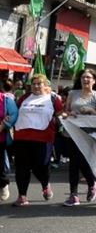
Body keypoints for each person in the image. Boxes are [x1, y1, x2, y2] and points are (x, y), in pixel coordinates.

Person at [12, 75, 63, 206]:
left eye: (39, 84)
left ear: (45, 85)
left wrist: (66, 116)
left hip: (43, 138)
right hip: (22, 137)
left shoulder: (53, 99)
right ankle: (22, 196)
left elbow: (60, 114)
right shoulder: (24, 98)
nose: (35, 86)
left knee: (40, 166)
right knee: (21, 168)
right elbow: (14, 113)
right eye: (33, 84)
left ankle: (45, 184)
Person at [59, 69, 96, 207]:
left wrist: (91, 111)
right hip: (73, 132)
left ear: (94, 81)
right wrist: (68, 113)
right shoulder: (73, 93)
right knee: (73, 163)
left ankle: (91, 183)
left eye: (89, 77)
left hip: (89, 134)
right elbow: (65, 111)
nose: (85, 80)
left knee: (84, 161)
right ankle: (74, 195)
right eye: (83, 77)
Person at [0, 82, 18, 202]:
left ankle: (3, 184)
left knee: (0, 166)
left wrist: (3, 125)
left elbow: (13, 114)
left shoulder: (5, 100)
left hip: (0, 138)